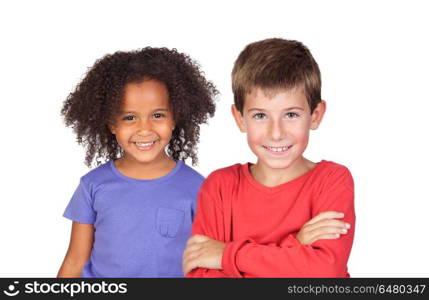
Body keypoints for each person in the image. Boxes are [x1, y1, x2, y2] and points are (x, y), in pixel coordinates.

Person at [183, 38, 355, 277]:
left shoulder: (332, 180)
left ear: (315, 115)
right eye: (260, 115)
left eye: (291, 114)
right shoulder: (220, 186)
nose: (276, 133)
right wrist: (296, 246)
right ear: (240, 118)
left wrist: (225, 255)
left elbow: (325, 272)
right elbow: (202, 277)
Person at [57, 47, 217, 277]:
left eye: (158, 115)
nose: (144, 129)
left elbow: (206, 263)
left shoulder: (198, 188)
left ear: (174, 118)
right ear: (112, 124)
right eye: (129, 117)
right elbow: (74, 262)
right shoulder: (92, 186)